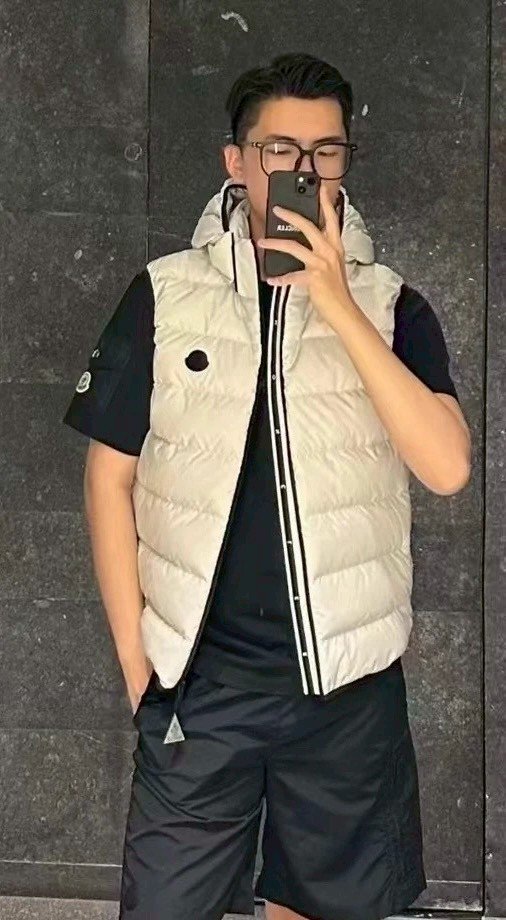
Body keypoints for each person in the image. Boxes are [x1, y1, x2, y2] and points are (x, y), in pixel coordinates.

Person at [63, 52, 471, 920]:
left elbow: (447, 467)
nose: (303, 170)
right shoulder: (166, 295)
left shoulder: (391, 305)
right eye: (279, 149)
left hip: (347, 693)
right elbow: (109, 477)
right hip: (200, 685)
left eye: (326, 152)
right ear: (236, 161)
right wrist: (138, 665)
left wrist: (336, 300)